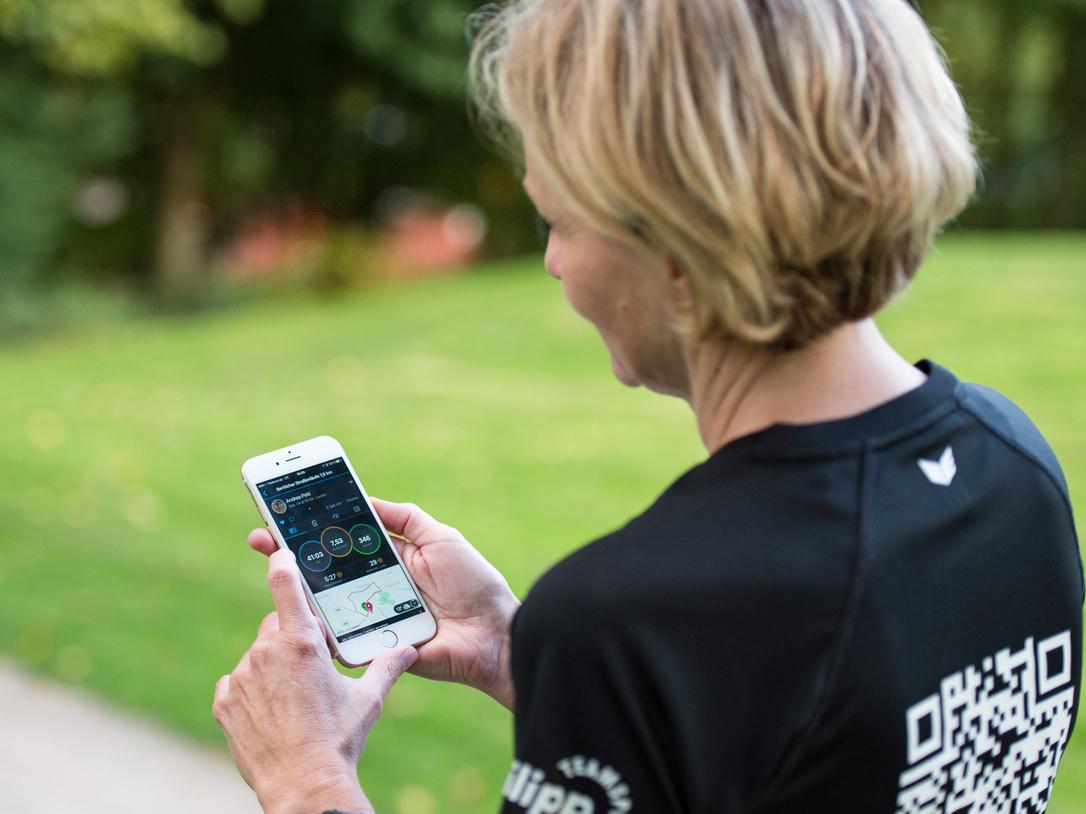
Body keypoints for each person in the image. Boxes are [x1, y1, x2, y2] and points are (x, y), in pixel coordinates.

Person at [212, 0, 1084, 812]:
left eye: (557, 221)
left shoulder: (641, 616)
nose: (553, 265)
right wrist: (530, 656)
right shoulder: (1012, 465)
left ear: (675, 245)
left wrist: (307, 778)